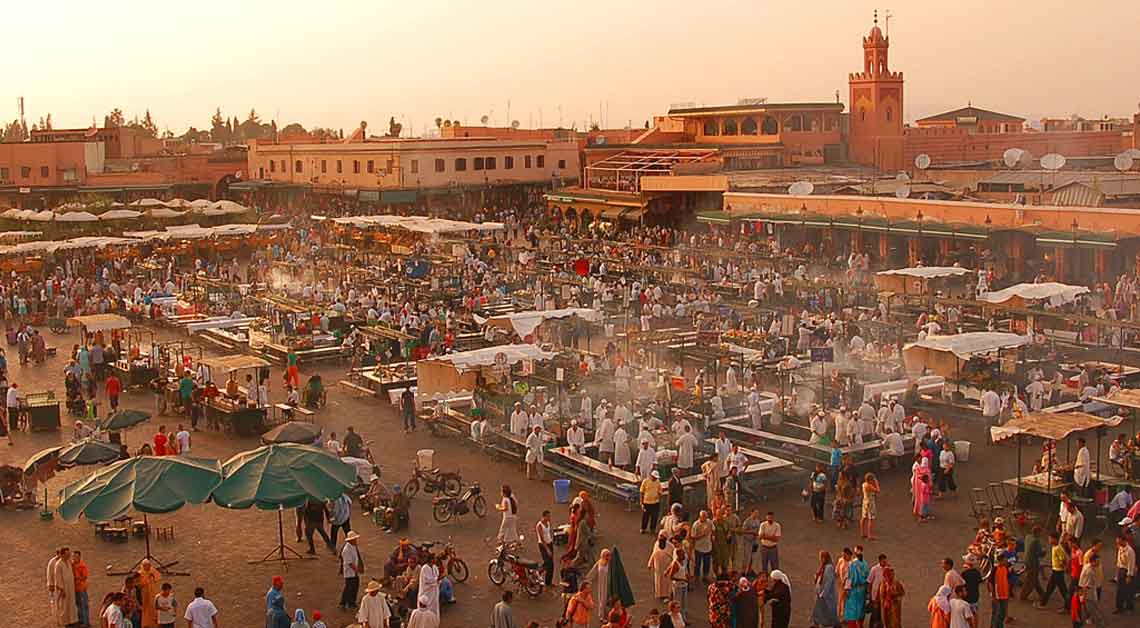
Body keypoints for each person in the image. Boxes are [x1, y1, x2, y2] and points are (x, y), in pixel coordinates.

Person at [1039, 532, 1070, 611]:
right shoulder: (1055, 547)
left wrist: (1065, 568)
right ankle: (1043, 603)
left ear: (1055, 539)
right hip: (1056, 571)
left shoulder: (1058, 548)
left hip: (1058, 571)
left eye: (1050, 538)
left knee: (1061, 590)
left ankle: (1068, 606)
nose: (1049, 540)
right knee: (1052, 588)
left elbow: (1063, 560)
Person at [812, 551, 840, 628]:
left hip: (826, 596)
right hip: (821, 594)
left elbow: (829, 582)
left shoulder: (829, 568)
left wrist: (824, 594)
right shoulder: (823, 567)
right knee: (819, 611)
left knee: (829, 612)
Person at [844, 549, 869, 628]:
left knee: (852, 610)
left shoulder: (853, 564)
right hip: (863, 590)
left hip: (854, 591)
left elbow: (850, 578)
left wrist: (847, 589)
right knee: (861, 609)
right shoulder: (865, 564)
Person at [338, 531, 363, 610]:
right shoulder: (346, 549)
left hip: (353, 572)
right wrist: (356, 570)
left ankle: (351, 602)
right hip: (350, 572)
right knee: (349, 587)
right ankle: (343, 602)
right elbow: (349, 563)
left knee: (355, 586)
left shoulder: (353, 546)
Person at [137, 558, 162, 628]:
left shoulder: (152, 570)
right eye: (146, 565)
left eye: (149, 565)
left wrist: (152, 576)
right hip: (144, 594)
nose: (148, 567)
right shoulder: (140, 573)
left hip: (153, 593)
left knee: (153, 607)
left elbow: (158, 577)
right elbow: (139, 584)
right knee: (145, 609)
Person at [1115, 533, 1136, 613]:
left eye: (1118, 541)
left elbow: (1131, 564)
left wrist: (1129, 576)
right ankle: (1119, 607)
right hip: (1121, 570)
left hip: (1127, 571)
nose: (1117, 542)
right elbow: (1119, 561)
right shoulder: (1120, 548)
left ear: (1123, 540)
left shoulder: (1130, 551)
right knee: (1120, 590)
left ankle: (1129, 607)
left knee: (1127, 591)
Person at [648, 534, 673, 601]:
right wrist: (650, 563)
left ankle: (667, 595)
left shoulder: (670, 546)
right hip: (658, 567)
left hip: (666, 567)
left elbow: (673, 558)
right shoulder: (656, 544)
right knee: (658, 581)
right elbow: (653, 554)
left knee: (667, 582)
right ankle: (659, 594)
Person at [989, 553, 1011, 628]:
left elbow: (1007, 580)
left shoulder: (1006, 568)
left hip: (1004, 595)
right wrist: (993, 595)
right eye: (1005, 559)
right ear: (1001, 560)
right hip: (997, 596)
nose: (1006, 561)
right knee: (996, 614)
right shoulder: (995, 569)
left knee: (1002, 614)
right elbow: (990, 583)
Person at [73, 549, 90, 628]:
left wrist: (77, 578)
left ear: (79, 557)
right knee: (79, 606)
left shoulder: (82, 566)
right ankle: (81, 621)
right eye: (73, 556)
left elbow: (85, 576)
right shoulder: (73, 565)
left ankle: (85, 622)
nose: (74, 558)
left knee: (83, 606)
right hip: (76, 589)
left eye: (76, 557)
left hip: (81, 588)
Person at [861, 473, 880, 540]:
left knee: (864, 517)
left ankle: (862, 532)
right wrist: (876, 483)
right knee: (871, 518)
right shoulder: (869, 486)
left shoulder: (864, 484)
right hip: (870, 502)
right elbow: (878, 490)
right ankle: (869, 535)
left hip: (865, 501)